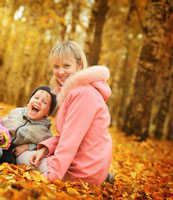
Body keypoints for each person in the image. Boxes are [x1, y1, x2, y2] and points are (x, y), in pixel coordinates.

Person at [16, 41, 114, 184]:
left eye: (66, 66)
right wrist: (44, 150)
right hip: (86, 164)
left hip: (83, 170)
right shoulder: (74, 92)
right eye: (56, 66)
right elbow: (66, 135)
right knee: (33, 156)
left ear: (79, 65)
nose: (61, 72)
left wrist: (52, 175)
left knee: (21, 157)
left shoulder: (84, 94)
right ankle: (103, 177)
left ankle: (98, 178)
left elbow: (70, 141)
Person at [0, 86, 57, 164]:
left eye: (44, 102)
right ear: (29, 101)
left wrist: (28, 147)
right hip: (1, 142)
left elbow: (46, 146)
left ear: (47, 113)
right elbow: (1, 123)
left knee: (8, 160)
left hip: (13, 151)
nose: (38, 102)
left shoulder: (44, 129)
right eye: (36, 98)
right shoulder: (16, 113)